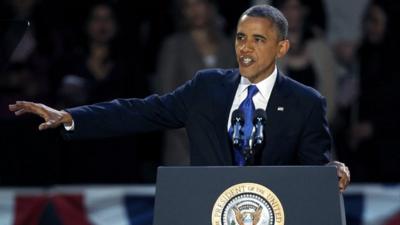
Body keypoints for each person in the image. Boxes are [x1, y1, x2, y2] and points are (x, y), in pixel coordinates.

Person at [9, 5, 350, 191]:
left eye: (258, 40)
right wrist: (72, 116)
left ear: (282, 48)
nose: (245, 48)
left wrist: (330, 171)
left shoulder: (306, 102)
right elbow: (140, 111)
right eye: (240, 37)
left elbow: (314, 169)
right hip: (206, 210)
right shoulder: (206, 88)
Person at [154, 0, 236, 165]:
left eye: (199, 3)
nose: (194, 10)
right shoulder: (173, 46)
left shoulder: (228, 46)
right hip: (182, 145)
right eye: (188, 6)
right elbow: (165, 95)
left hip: (223, 144)